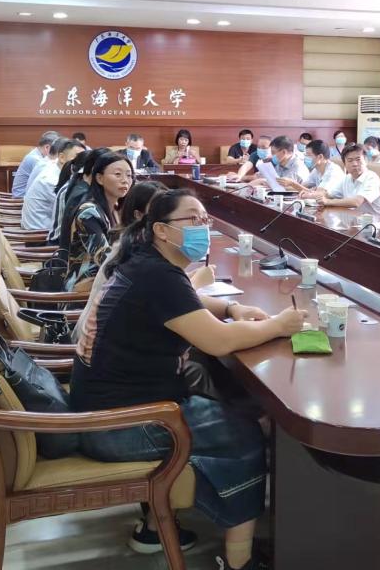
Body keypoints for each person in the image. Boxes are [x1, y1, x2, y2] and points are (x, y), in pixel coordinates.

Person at [70, 189, 305, 570]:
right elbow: (218, 341)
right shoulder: (157, 276)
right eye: (192, 219)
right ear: (161, 230)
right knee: (242, 432)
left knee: (228, 401)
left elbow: (187, 301)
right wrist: (279, 325)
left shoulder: (147, 263)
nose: (203, 228)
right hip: (120, 425)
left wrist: (231, 307)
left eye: (205, 220)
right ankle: (239, 561)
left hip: (107, 408)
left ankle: (154, 528)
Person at [65, 152, 134, 291]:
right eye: (118, 174)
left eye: (129, 175)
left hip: (109, 282)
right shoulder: (88, 213)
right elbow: (105, 259)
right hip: (84, 289)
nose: (125, 180)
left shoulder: (118, 209)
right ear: (99, 178)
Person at [21, 138, 82, 231]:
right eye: (77, 158)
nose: (82, 164)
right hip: (38, 232)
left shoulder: (55, 166)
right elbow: (71, 211)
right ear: (61, 157)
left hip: (43, 225)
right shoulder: (51, 181)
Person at [55, 147, 110, 251]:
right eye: (116, 174)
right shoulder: (84, 198)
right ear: (97, 173)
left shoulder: (80, 183)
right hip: (73, 258)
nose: (125, 180)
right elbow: (101, 253)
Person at [310, 144, 380, 208]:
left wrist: (328, 201)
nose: (354, 164)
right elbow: (329, 194)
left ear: (366, 161)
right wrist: (311, 195)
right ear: (345, 164)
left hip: (374, 219)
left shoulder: (372, 178)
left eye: (358, 159)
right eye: (350, 160)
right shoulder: (347, 178)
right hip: (352, 217)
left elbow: (356, 202)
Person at [12, 131, 60, 197]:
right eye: (57, 150)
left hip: (27, 195)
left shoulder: (37, 153)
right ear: (47, 147)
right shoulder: (35, 159)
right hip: (21, 197)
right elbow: (48, 182)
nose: (58, 154)